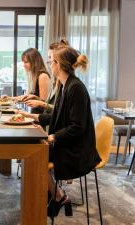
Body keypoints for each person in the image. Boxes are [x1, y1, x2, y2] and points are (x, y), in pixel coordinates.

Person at [43, 46, 101, 217]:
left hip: (77, 150)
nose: (49, 64)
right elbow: (56, 116)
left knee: (35, 156)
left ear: (59, 65)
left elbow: (77, 127)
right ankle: (54, 195)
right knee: (34, 153)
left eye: (52, 60)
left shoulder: (75, 88)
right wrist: (34, 119)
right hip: (70, 143)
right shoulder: (65, 85)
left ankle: (57, 196)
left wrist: (53, 136)